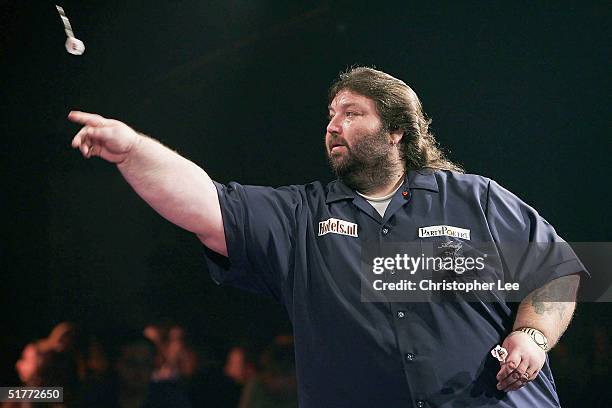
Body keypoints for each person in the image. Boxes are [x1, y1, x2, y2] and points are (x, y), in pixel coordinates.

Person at [68, 67, 586, 407]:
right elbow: (205, 203)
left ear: (397, 131)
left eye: (352, 113)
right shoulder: (301, 217)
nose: (333, 125)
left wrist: (533, 336)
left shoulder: (475, 199)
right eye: (330, 115)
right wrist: (133, 150)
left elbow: (559, 271)